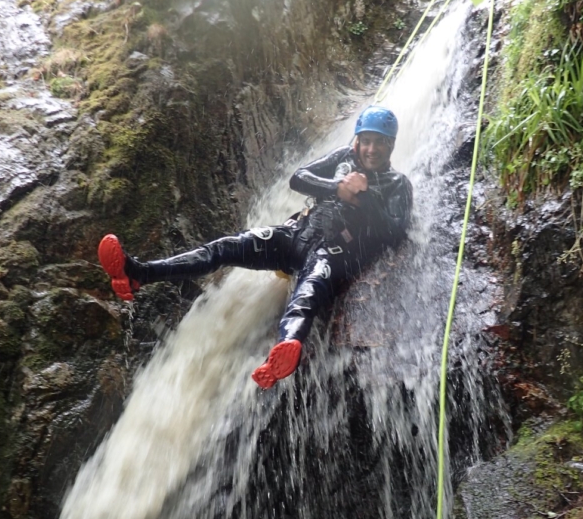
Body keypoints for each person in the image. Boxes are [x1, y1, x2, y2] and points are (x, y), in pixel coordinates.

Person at [98, 105, 413, 389]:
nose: (371, 148)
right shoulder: (343, 159)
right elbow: (299, 178)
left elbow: (395, 230)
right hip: (295, 235)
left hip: (331, 253)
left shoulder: (398, 184)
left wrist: (366, 195)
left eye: (380, 142)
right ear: (357, 140)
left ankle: (286, 348)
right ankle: (138, 273)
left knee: (309, 292)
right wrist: (337, 187)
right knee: (225, 248)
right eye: (366, 140)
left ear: (391, 145)